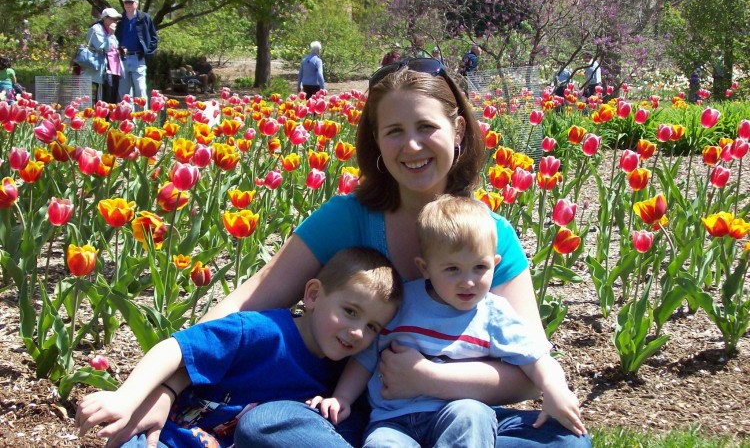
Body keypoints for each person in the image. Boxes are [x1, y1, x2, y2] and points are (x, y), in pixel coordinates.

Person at [104, 57, 590, 448]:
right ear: (376, 142)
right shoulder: (347, 217)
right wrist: (169, 388)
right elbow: (246, 304)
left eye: (426, 126)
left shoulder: (490, 235)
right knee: (269, 422)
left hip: (465, 414)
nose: (412, 145)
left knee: (566, 442)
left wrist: (425, 377)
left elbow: (527, 375)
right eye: (393, 131)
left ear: (458, 130)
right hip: (354, 416)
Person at [309, 196, 586, 447]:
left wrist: (554, 388)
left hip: (458, 414)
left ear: (495, 263)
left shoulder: (493, 313)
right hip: (394, 420)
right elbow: (366, 357)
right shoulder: (402, 304)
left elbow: (535, 356)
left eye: (480, 268)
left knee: (474, 414)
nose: (468, 281)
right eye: (452, 269)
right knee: (382, 444)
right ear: (425, 268)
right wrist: (342, 397)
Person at [75, 248, 403, 448]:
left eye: (373, 327)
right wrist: (126, 398)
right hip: (170, 437)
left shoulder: (336, 377)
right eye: (350, 311)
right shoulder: (258, 331)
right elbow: (175, 348)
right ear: (313, 295)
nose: (358, 332)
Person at [115, 0, 158, 101]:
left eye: (131, 2)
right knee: (124, 93)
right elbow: (114, 38)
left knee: (140, 90)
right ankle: (127, 118)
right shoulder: (119, 19)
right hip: (122, 59)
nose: (128, 5)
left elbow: (154, 38)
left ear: (136, 4)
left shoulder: (144, 18)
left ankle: (143, 118)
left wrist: (146, 52)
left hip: (138, 59)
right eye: (126, 2)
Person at [82, 8, 123, 103]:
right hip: (103, 69)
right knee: (103, 97)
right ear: (105, 18)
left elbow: (114, 46)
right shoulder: (96, 29)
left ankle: (109, 118)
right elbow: (104, 48)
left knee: (113, 97)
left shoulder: (110, 30)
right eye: (113, 19)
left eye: (116, 19)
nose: (115, 21)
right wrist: (110, 34)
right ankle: (101, 117)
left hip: (114, 68)